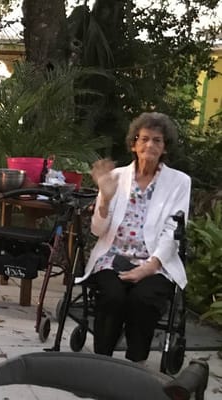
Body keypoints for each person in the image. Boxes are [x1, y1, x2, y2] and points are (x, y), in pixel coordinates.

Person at [77, 112, 190, 365]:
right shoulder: (115, 177)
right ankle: (102, 362)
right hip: (112, 257)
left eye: (157, 140)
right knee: (113, 296)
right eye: (145, 139)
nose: (150, 145)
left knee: (143, 299)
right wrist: (104, 199)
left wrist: (149, 267)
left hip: (155, 262)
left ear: (164, 148)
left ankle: (134, 364)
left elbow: (173, 231)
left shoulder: (179, 182)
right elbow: (97, 230)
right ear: (134, 144)